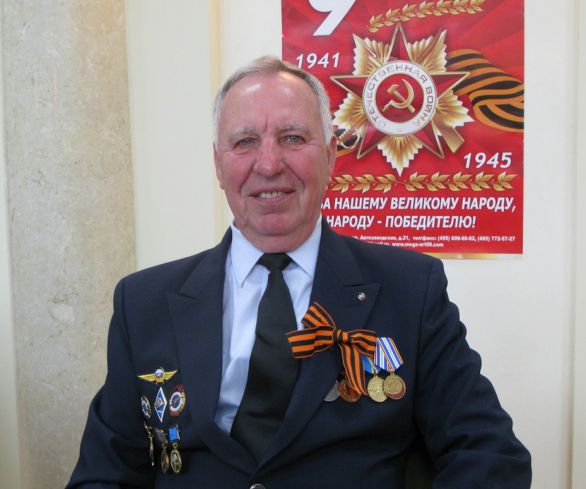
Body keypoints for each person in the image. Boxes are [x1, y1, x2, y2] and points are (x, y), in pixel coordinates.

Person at [67, 56, 531, 489]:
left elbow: (489, 453)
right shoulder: (143, 303)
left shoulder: (410, 290)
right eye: (245, 142)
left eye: (292, 138)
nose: (269, 164)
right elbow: (105, 473)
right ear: (218, 165)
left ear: (330, 156)